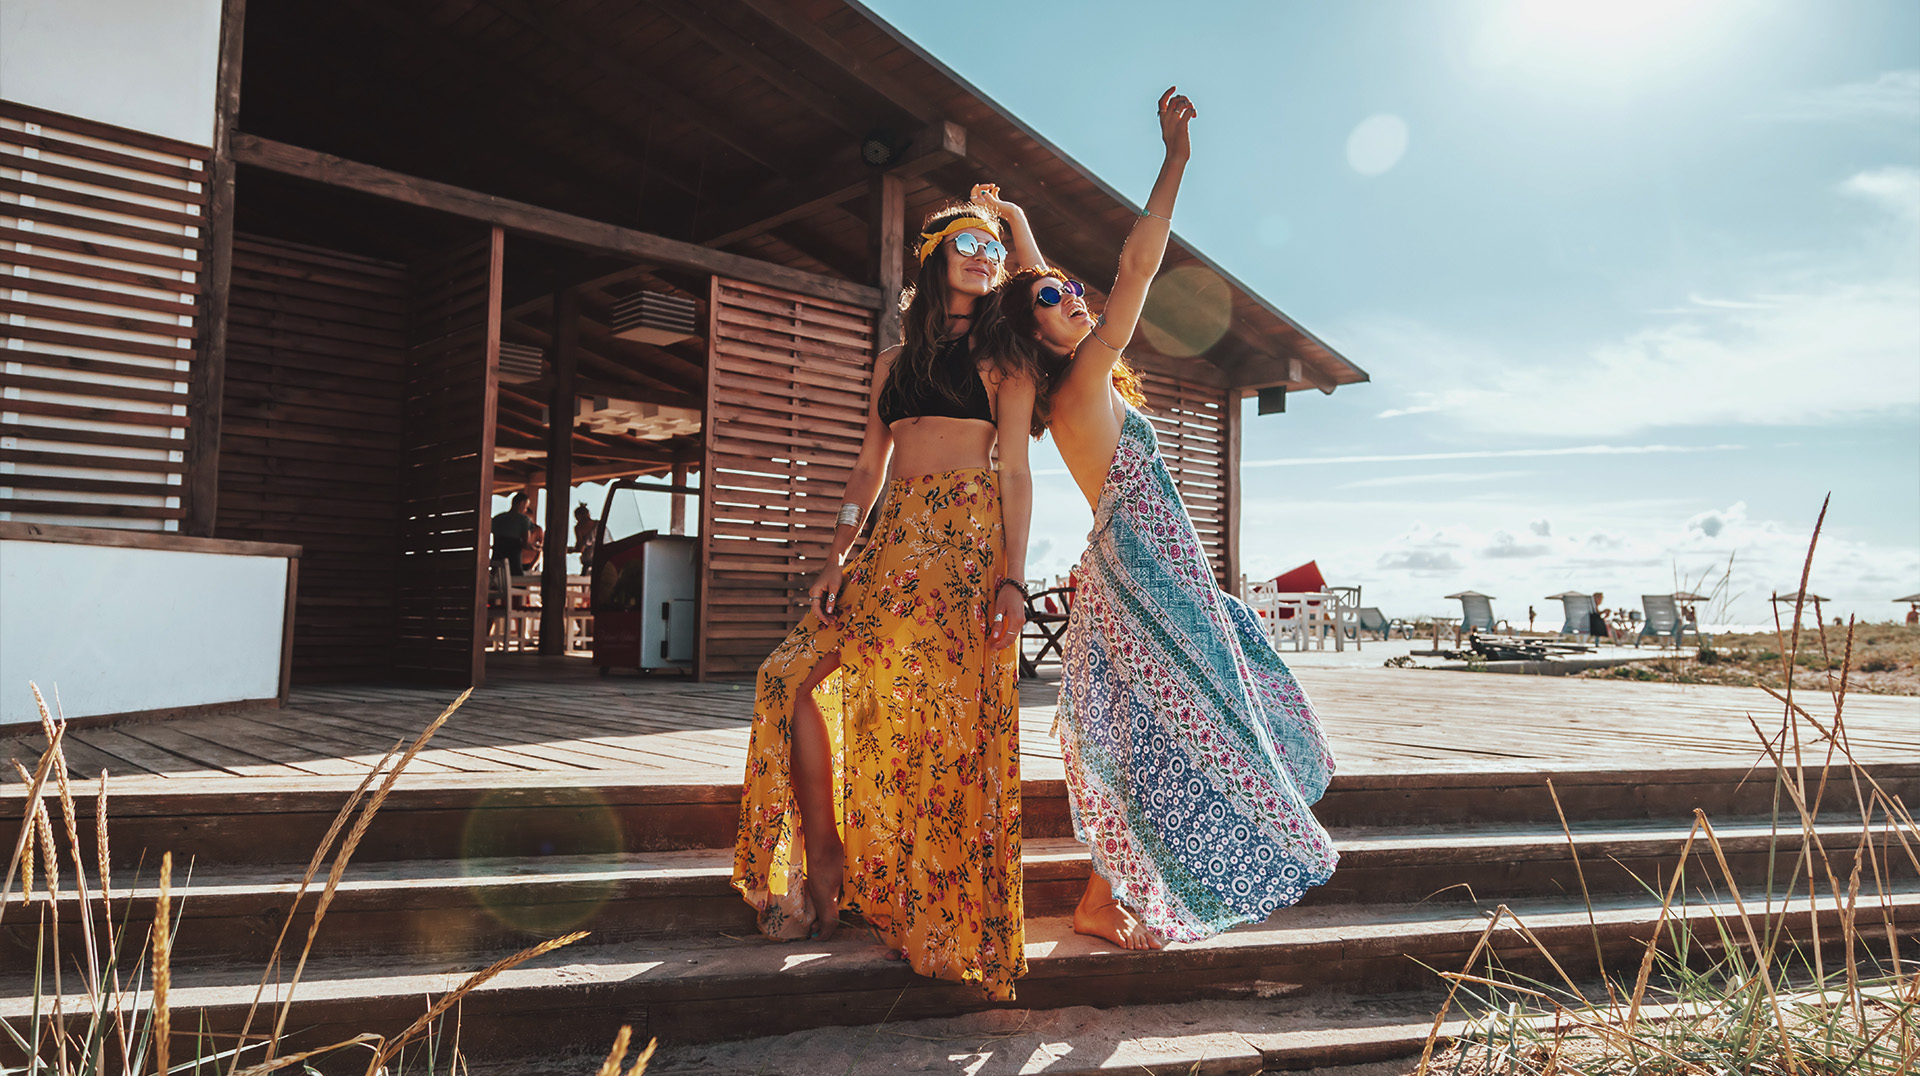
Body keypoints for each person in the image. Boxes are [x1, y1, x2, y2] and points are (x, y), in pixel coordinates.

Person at [979, 89, 1337, 949]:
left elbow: (1044, 281)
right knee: (1185, 727)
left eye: (1069, 291)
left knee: (1174, 724)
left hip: (1143, 567)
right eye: (1054, 301)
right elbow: (1136, 268)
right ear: (1041, 335)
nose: (1074, 298)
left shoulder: (1075, 374)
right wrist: (1175, 162)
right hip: (1144, 572)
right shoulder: (1084, 374)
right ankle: (1107, 898)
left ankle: (1109, 893)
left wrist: (1020, 224)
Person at [731, 186, 1046, 1000]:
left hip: (962, 548)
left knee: (941, 727)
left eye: (992, 249)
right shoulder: (890, 366)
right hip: (886, 545)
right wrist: (839, 554)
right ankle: (825, 851)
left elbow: (1015, 469)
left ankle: (932, 911)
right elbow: (866, 473)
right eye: (966, 243)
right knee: (784, 676)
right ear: (935, 256)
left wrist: (1014, 576)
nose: (981, 257)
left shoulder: (1006, 357)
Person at [491, 493, 534, 576]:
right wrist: (536, 548)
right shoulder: (524, 520)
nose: (526, 510)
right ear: (521, 503)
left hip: (497, 561)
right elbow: (526, 543)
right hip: (514, 562)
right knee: (519, 583)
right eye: (526, 506)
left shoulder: (497, 518)